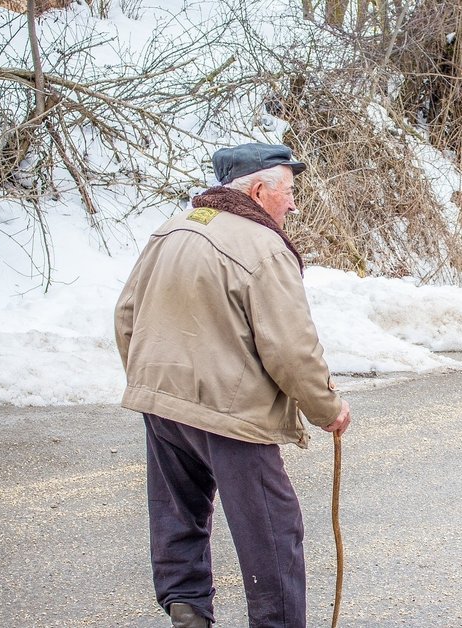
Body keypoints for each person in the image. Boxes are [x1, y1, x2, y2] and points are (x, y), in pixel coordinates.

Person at [114, 142, 351, 628]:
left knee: (179, 513)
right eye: (288, 191)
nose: (293, 203)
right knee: (271, 530)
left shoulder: (171, 230)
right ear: (259, 189)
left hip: (163, 405)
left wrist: (154, 382)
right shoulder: (264, 248)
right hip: (232, 414)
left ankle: (188, 611)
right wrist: (327, 409)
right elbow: (291, 349)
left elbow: (125, 317)